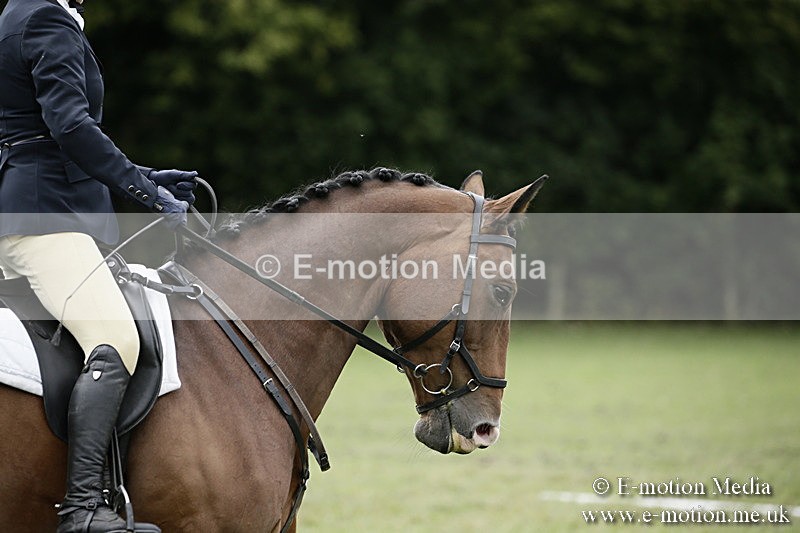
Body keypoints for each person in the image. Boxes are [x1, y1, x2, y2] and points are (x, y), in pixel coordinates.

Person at [0, 0, 195, 531]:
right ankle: (84, 507)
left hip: (42, 205)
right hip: (46, 218)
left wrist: (147, 175)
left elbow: (43, 131)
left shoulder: (22, 14)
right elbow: (69, 125)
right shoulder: (45, 18)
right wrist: (145, 192)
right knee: (117, 339)